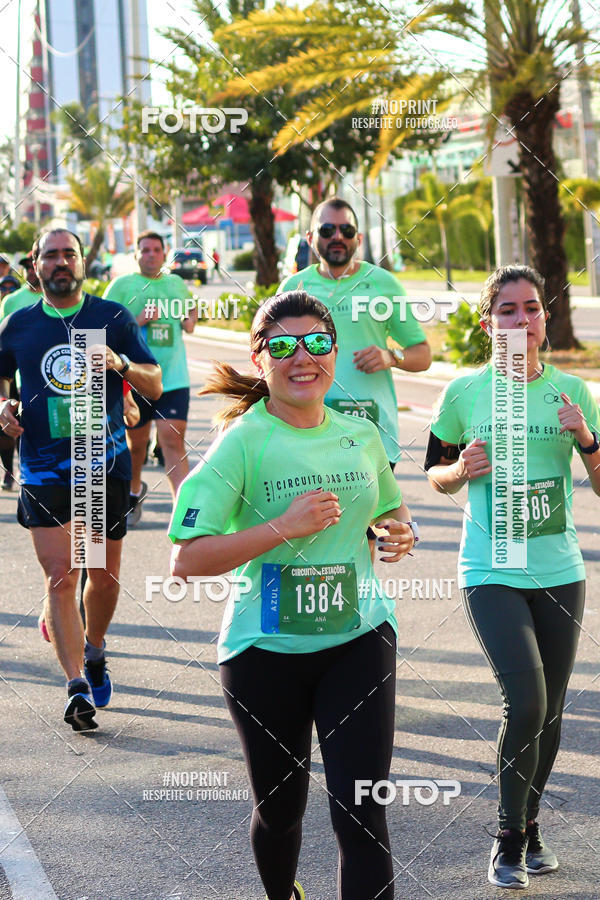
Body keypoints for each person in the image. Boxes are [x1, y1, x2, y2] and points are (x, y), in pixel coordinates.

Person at [169, 290, 418, 900]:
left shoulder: (360, 435)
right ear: (260, 360)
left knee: (362, 813)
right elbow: (187, 560)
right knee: (282, 809)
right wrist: (283, 526)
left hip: (358, 640)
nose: (300, 357)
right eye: (281, 346)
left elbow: (389, 507)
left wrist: (397, 532)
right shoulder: (241, 443)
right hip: (264, 653)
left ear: (333, 352)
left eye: (316, 343)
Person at [424, 265, 600, 889]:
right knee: (524, 700)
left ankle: (528, 822)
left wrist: (587, 440)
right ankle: (508, 836)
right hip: (491, 566)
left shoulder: (575, 391)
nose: (520, 320)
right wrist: (460, 470)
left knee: (549, 714)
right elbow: (432, 473)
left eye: (530, 308)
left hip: (559, 568)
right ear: (487, 322)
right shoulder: (464, 393)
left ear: (545, 319)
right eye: (506, 310)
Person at [0, 228, 162, 731]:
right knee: (60, 575)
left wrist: (121, 363)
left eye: (69, 254)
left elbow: (153, 379)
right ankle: (76, 687)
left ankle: (95, 650)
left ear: (82, 262)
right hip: (44, 467)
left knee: (101, 575)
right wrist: (3, 407)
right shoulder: (18, 324)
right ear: (35, 265)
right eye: (50, 256)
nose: (61, 262)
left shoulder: (108, 317)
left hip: (100, 463)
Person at [279, 198, 431, 550]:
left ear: (358, 238)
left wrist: (391, 355)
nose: (337, 237)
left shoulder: (383, 285)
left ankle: (358, 602)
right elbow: (269, 354)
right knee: (313, 532)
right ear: (309, 237)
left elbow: (423, 355)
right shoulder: (293, 289)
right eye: (327, 230)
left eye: (346, 230)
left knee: (363, 533)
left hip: (372, 434)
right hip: (307, 432)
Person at [105, 230, 197, 522]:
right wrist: (138, 320)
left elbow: (191, 314)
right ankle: (134, 491)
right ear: (136, 255)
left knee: (172, 439)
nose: (151, 255)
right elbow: (103, 327)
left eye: (156, 250)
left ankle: (181, 509)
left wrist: (189, 318)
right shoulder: (122, 286)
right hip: (137, 379)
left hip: (173, 378)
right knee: (137, 446)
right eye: (145, 250)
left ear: (164, 252)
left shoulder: (176, 284)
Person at [1, 251, 43, 319]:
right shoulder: (9, 300)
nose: (29, 271)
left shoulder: (57, 298)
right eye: (26, 267)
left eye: (33, 267)